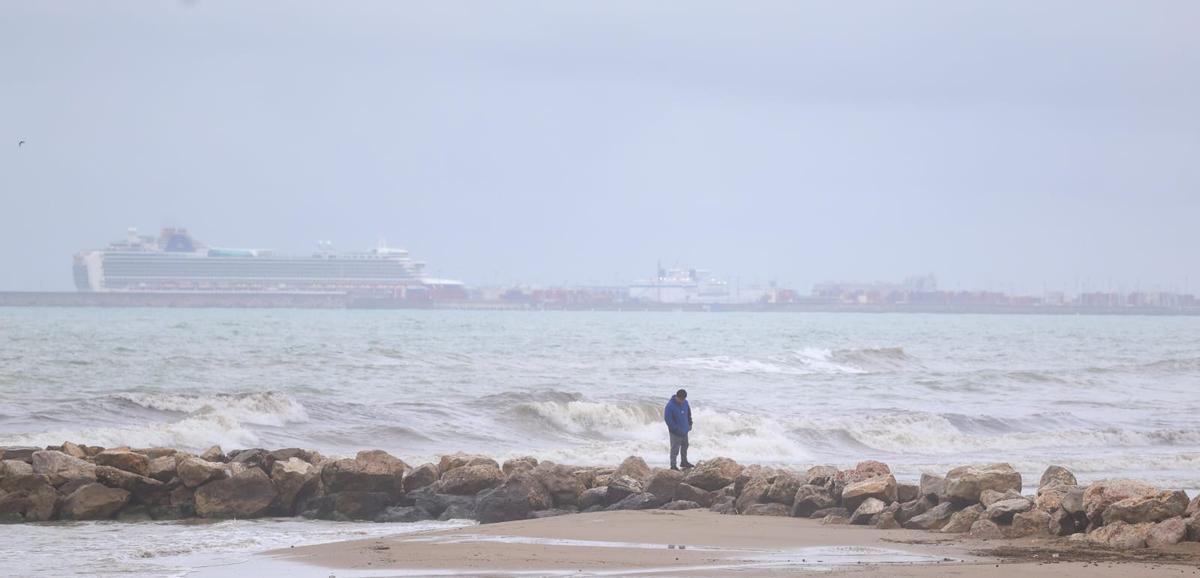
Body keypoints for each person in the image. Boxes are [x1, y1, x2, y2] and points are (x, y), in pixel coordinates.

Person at [664, 388, 694, 470]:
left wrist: (690, 423)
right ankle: (673, 465)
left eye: (683, 399)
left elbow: (688, 413)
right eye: (681, 399)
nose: (682, 401)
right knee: (675, 449)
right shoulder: (670, 406)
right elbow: (668, 420)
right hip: (675, 432)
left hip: (684, 430)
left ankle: (684, 462)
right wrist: (675, 429)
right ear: (677, 397)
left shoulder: (685, 403)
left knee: (685, 446)